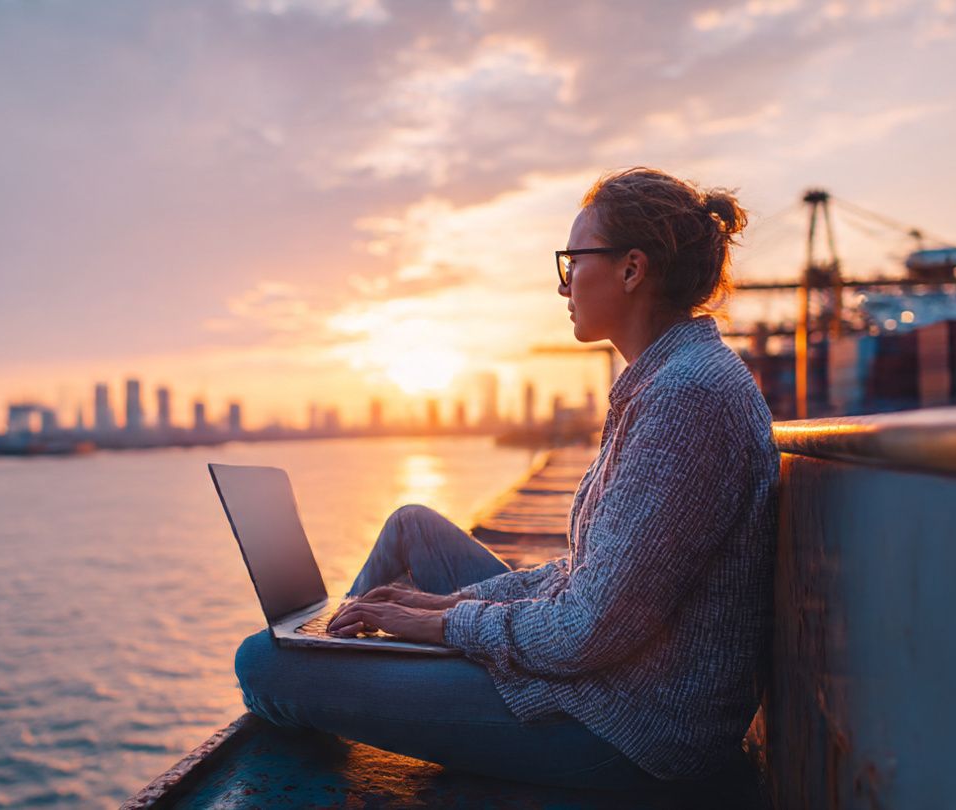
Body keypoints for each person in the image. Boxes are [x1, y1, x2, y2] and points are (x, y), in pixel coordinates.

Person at [234, 167, 778, 793]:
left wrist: (438, 625)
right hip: (610, 683)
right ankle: (340, 652)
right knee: (413, 528)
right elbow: (590, 578)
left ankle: (326, 676)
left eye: (573, 261)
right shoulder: (669, 379)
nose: (564, 284)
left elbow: (587, 630)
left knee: (261, 663)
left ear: (631, 270)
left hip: (625, 727)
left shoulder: (686, 397)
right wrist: (442, 605)